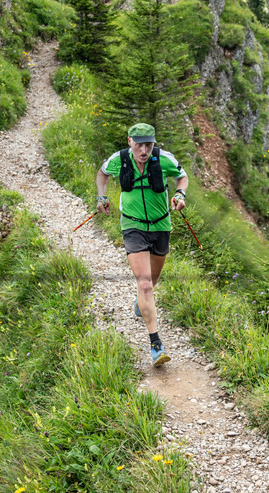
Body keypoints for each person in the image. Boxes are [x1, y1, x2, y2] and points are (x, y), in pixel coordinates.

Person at [96, 123, 188, 366]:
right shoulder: (120, 160)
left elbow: (182, 177)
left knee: (153, 280)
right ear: (129, 142)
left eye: (149, 144)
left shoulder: (164, 159)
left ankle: (141, 302)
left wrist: (180, 194)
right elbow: (102, 173)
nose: (144, 150)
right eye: (139, 144)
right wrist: (101, 196)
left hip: (160, 226)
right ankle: (156, 345)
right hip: (133, 226)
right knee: (145, 283)